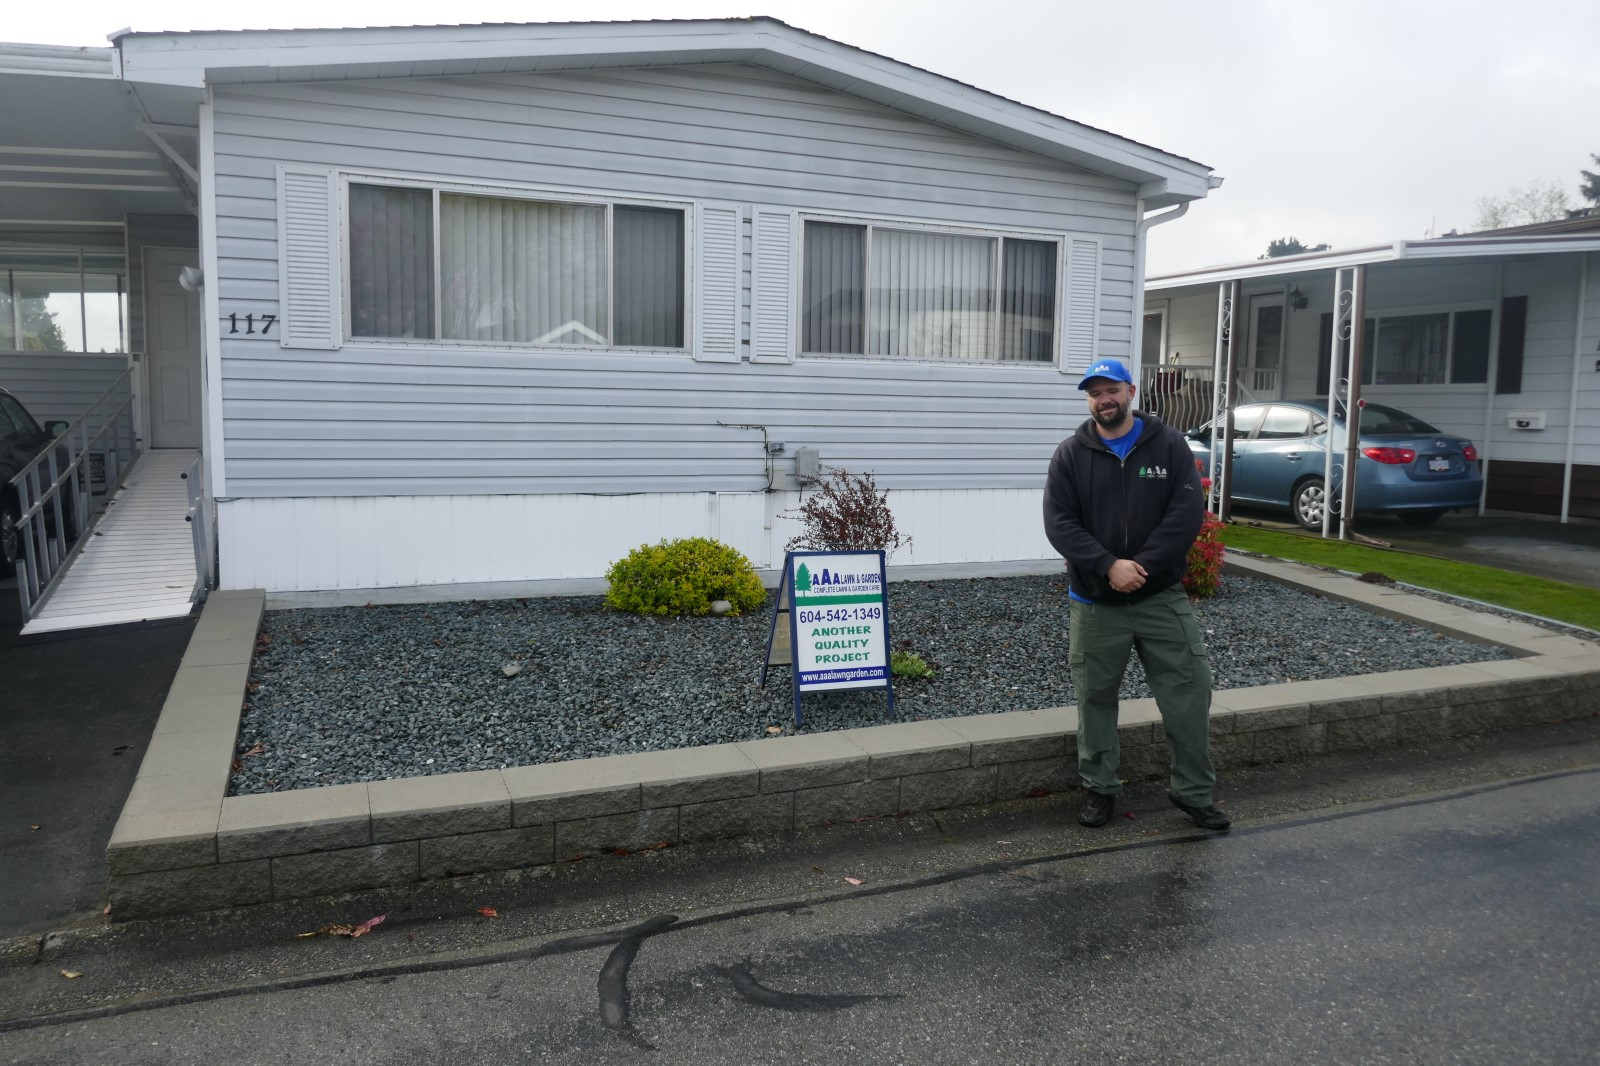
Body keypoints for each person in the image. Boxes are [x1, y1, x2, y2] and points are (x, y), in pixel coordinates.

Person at [1042, 358, 1229, 832]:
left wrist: (1140, 568)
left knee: (1189, 693)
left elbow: (1186, 512)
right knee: (1095, 700)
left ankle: (1193, 792)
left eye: (1111, 390)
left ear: (1130, 391)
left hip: (1160, 598)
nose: (1103, 400)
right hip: (1095, 604)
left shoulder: (1169, 445)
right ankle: (1100, 788)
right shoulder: (1070, 454)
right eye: (1094, 393)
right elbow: (1060, 524)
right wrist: (1108, 565)